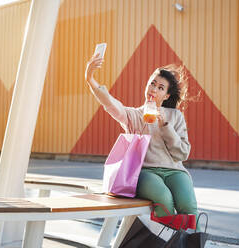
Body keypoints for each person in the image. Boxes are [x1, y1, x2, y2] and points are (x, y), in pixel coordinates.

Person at [85, 53, 199, 229]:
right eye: (152, 83)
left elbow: (182, 153)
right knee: (164, 199)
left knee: (189, 206)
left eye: (161, 88)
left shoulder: (176, 117)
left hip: (175, 171)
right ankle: (166, 241)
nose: (154, 89)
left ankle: (191, 242)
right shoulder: (134, 116)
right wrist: (90, 78)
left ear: (167, 96)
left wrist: (165, 125)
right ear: (146, 86)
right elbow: (110, 104)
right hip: (146, 173)